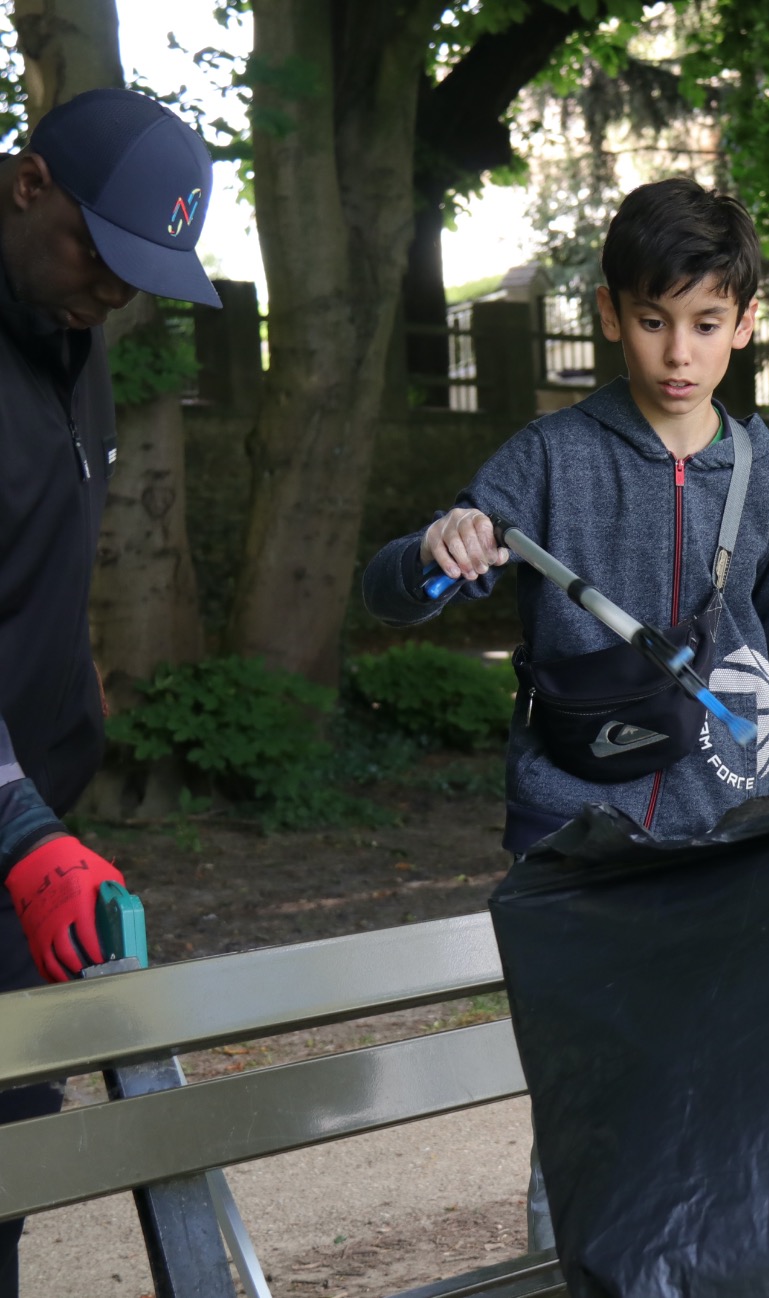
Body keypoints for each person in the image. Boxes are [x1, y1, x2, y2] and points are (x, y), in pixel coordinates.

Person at [361, 177, 769, 1248]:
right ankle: (567, 1271)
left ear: (745, 324)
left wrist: (759, 811)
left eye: (706, 323)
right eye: (653, 319)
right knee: (587, 1098)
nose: (677, 351)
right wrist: (437, 553)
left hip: (718, 837)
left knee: (721, 1092)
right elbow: (392, 591)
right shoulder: (547, 458)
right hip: (570, 834)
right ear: (610, 312)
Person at [0, 87, 222, 1293]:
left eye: (139, 274)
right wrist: (19, 822)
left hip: (15, 864)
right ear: (30, 182)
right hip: (12, 832)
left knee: (4, 1180)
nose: (113, 294)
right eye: (101, 252)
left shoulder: (66, 330)